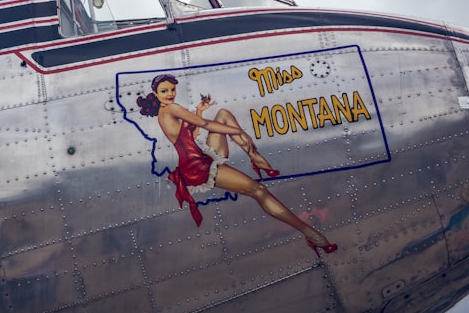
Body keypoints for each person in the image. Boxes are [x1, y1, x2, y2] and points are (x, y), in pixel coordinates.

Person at [137, 74, 337, 256]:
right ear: (155, 93)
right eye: (164, 91)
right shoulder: (171, 109)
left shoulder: (164, 112)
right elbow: (204, 125)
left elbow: (188, 136)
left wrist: (200, 110)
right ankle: (311, 234)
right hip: (198, 168)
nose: (170, 94)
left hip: (200, 158)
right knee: (258, 190)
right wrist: (236, 132)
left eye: (172, 89)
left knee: (223, 113)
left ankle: (257, 159)